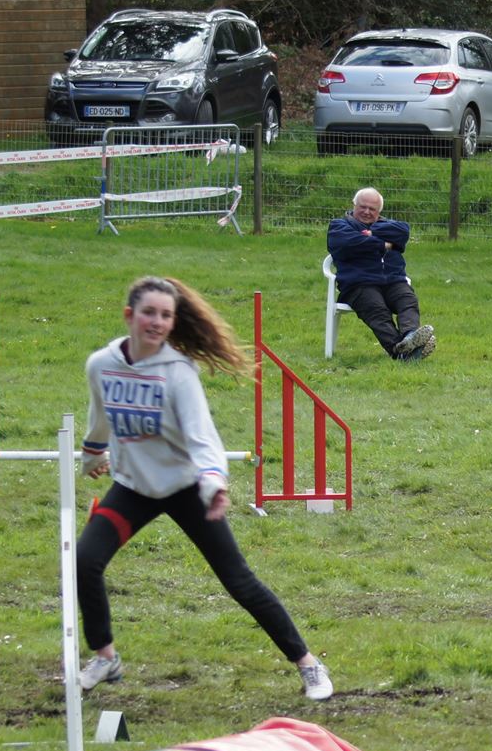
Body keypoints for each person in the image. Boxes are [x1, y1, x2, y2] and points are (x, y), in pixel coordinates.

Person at [76, 276, 333, 701]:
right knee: (85, 560)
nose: (157, 323)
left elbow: (201, 437)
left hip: (186, 487)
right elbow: (100, 414)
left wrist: (214, 484)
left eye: (165, 315)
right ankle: (105, 656)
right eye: (149, 313)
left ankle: (308, 664)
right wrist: (92, 455)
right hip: (133, 488)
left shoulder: (178, 373)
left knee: (239, 581)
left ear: (174, 322)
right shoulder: (100, 364)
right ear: (129, 316)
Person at [327, 187, 437, 361]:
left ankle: (410, 337)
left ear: (379, 212)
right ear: (354, 205)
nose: (366, 212)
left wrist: (372, 233)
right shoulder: (339, 226)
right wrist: (384, 244)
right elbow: (349, 243)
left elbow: (403, 231)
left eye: (372, 209)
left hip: (393, 281)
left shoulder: (389, 225)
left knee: (407, 300)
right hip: (359, 284)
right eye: (363, 206)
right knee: (377, 311)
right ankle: (401, 351)